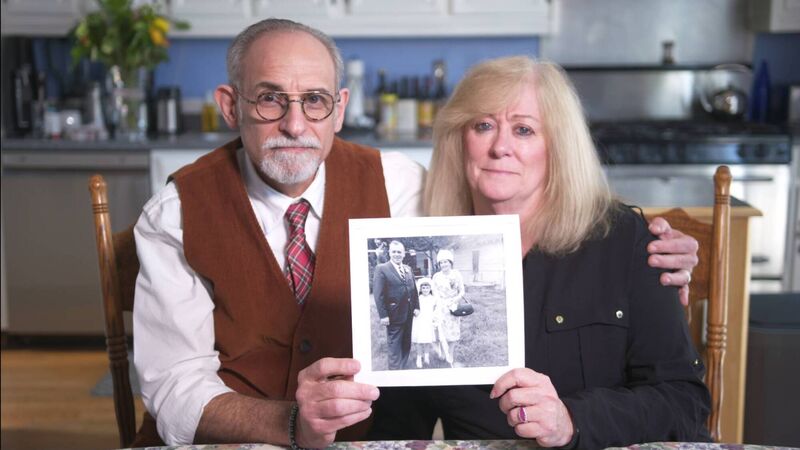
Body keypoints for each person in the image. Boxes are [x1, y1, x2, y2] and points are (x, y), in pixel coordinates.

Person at [132, 18, 697, 448]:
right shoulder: (176, 213)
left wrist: (662, 253)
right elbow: (172, 388)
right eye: (269, 98)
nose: (295, 123)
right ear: (230, 106)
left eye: (314, 100)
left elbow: (680, 395)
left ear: (339, 108)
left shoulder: (400, 186)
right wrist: (291, 422)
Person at [369, 56, 712, 449]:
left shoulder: (627, 241)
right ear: (459, 141)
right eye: (483, 126)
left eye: (524, 130)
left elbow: (684, 403)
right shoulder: (431, 238)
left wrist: (570, 420)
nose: (500, 147)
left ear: (558, 148)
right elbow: (398, 430)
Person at [372, 241, 421, 370]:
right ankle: (394, 371)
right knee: (394, 345)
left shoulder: (408, 269)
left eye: (399, 252)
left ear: (404, 254)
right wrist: (383, 315)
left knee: (406, 343)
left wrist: (417, 307)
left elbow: (414, 289)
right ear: (389, 253)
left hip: (409, 313)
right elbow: (378, 294)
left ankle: (402, 367)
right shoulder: (382, 268)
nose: (397, 254)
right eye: (394, 252)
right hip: (393, 314)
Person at [430, 249, 466, 366]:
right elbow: (434, 292)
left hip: (453, 307)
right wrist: (439, 302)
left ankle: (450, 353)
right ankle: (442, 352)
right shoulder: (436, 276)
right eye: (441, 262)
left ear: (450, 262)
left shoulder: (456, 274)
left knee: (453, 332)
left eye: (446, 262)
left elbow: (462, 291)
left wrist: (454, 300)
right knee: (441, 331)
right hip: (440, 306)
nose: (443, 264)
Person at [411, 277, 439, 368]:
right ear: (420, 289)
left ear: (430, 288)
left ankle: (426, 357)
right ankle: (419, 358)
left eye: (427, 288)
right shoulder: (418, 298)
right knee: (419, 341)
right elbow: (413, 308)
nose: (425, 290)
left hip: (428, 322)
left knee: (427, 340)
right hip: (419, 321)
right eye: (423, 288)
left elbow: (436, 310)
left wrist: (435, 319)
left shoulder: (433, 299)